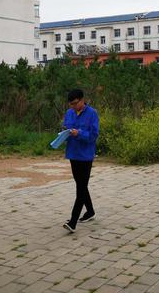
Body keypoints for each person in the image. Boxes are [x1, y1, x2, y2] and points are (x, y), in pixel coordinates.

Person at [62, 88, 99, 233]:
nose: (73, 106)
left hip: (86, 156)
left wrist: (79, 133)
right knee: (81, 184)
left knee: (81, 188)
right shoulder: (69, 113)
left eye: (75, 103)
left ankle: (73, 222)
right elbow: (66, 126)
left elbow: (93, 135)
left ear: (82, 100)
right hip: (73, 154)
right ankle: (90, 211)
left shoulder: (92, 114)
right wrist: (65, 131)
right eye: (71, 104)